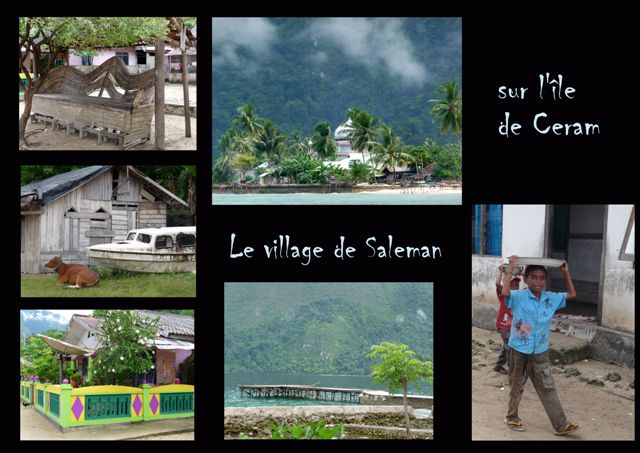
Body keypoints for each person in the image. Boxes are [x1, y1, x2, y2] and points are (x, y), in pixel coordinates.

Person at [502, 255, 579, 435]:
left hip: (541, 351)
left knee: (547, 386)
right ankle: (512, 417)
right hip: (519, 349)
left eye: (542, 278)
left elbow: (572, 294)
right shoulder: (519, 296)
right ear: (525, 279)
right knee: (517, 384)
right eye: (534, 277)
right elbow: (504, 293)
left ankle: (561, 424)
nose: (538, 281)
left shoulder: (550, 298)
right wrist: (512, 266)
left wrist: (566, 272)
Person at [493, 265, 520, 374]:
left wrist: (522, 274)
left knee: (506, 347)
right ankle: (511, 369)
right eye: (512, 285)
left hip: (511, 326)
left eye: (517, 285)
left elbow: (529, 287)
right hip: (503, 326)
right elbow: (497, 284)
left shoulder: (519, 295)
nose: (515, 287)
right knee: (511, 347)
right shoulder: (504, 295)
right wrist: (500, 272)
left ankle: (498, 366)